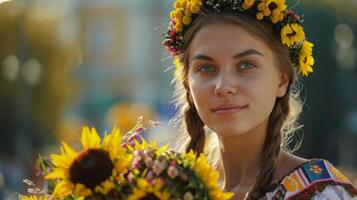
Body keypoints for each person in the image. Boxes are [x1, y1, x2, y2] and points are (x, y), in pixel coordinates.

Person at [162, 0, 357, 199]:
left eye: (246, 65)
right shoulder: (161, 188)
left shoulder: (321, 193)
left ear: (281, 81)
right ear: (187, 83)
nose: (223, 87)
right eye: (206, 68)